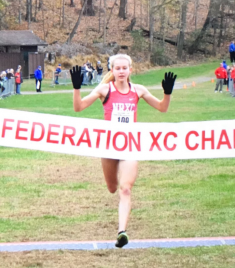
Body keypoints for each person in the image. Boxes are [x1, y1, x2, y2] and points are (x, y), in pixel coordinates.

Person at [70, 54, 176, 248]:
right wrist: (76, 89)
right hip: (109, 146)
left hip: (130, 146)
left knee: (125, 189)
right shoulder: (104, 89)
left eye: (124, 68)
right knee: (112, 187)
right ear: (112, 70)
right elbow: (79, 108)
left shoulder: (138, 91)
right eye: (117, 68)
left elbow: (162, 108)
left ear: (130, 70)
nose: (120, 71)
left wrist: (167, 93)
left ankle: (122, 232)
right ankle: (120, 225)